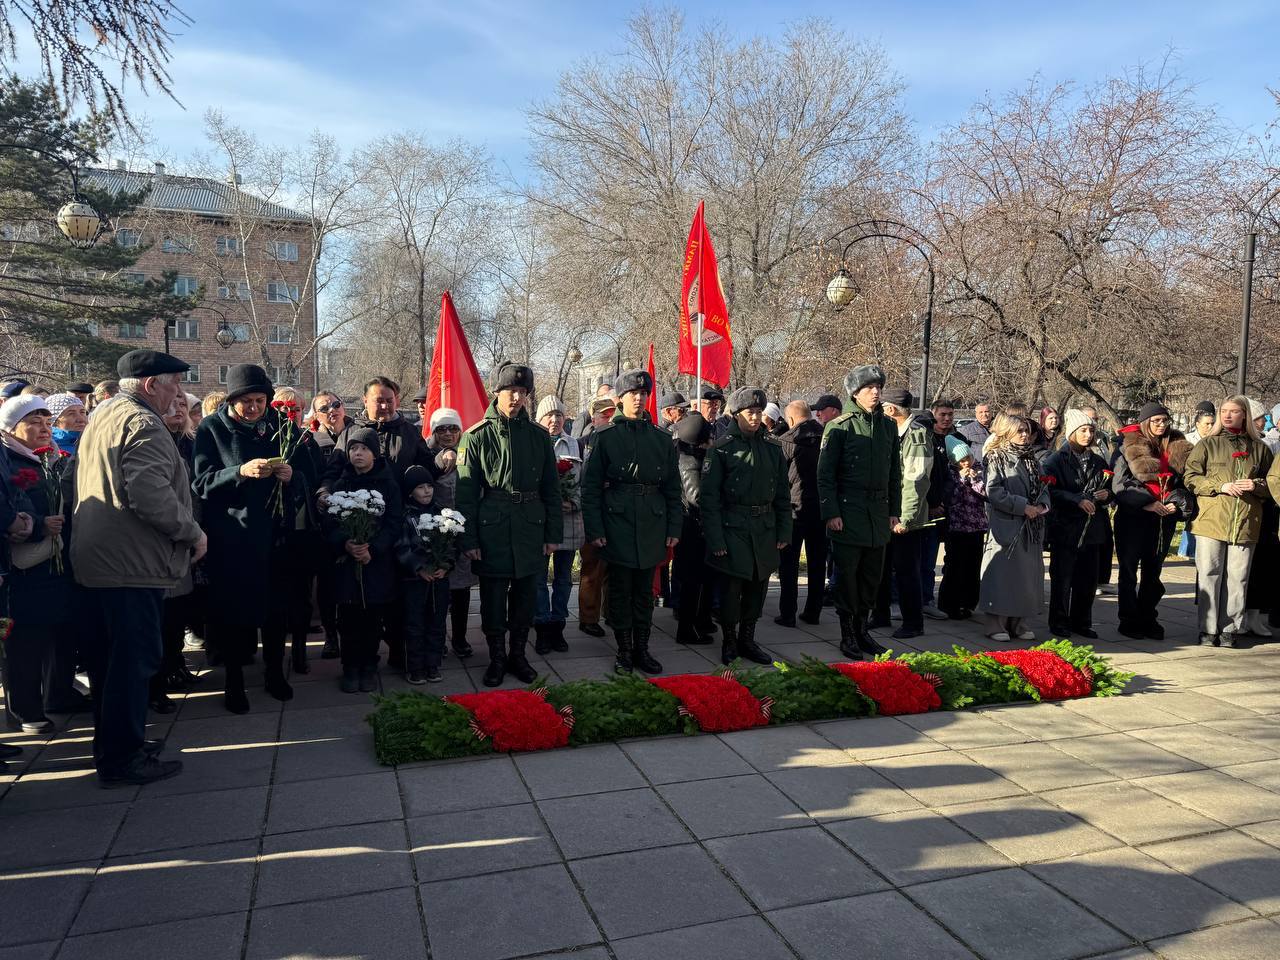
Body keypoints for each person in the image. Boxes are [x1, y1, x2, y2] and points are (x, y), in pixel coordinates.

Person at [73, 349, 205, 787]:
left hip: (101, 560)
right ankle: (122, 760)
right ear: (151, 385)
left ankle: (115, 746)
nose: (179, 393)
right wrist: (191, 532)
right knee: (132, 662)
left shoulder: (107, 414)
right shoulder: (144, 422)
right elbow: (150, 495)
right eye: (174, 383)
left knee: (109, 664)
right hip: (131, 565)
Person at [193, 364, 310, 713]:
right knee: (235, 613)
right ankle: (234, 681)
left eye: (260, 400)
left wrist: (291, 476)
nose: (254, 408)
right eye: (246, 401)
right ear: (231, 400)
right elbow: (201, 482)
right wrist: (239, 472)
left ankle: (275, 673)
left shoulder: (279, 426)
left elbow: (307, 474)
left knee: (276, 611)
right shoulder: (212, 429)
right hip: (235, 538)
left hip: (276, 535)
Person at [456, 363, 562, 686]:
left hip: (531, 525)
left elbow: (551, 489)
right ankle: (497, 657)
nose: (516, 398)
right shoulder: (476, 437)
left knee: (526, 596)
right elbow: (466, 495)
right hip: (494, 528)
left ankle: (518, 654)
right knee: (492, 597)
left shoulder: (539, 437)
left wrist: (552, 534)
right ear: (496, 393)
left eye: (522, 392)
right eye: (510, 391)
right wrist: (469, 539)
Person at [582, 369, 681, 673]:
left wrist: (673, 528)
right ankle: (624, 650)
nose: (639, 399)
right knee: (620, 592)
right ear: (621, 399)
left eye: (643, 394)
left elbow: (672, 488)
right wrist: (596, 529)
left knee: (644, 593)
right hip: (618, 524)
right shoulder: (605, 437)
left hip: (652, 523)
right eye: (632, 394)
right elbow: (590, 488)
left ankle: (642, 649)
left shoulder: (662, 439)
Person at [1, 396, 83, 732]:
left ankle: (58, 694)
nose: (44, 429)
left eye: (48, 422)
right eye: (35, 422)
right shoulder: (9, 461)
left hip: (52, 564)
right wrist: (37, 525)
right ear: (11, 428)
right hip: (24, 569)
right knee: (25, 642)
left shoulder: (44, 460)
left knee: (56, 633)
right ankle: (25, 710)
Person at [701, 387, 791, 665]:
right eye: (750, 413)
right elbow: (709, 499)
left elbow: (782, 496)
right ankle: (729, 640)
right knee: (731, 591)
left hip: (764, 528)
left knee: (757, 588)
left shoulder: (773, 448)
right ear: (736, 414)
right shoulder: (722, 450)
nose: (755, 418)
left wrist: (784, 530)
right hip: (733, 528)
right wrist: (715, 539)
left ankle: (748, 640)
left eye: (758, 412)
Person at [817, 365, 900, 659]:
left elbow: (894, 473)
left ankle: (863, 631)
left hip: (877, 514)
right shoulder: (840, 426)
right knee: (847, 578)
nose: (876, 392)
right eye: (869, 388)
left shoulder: (889, 427)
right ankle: (848, 634)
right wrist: (831, 513)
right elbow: (824, 475)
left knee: (871, 578)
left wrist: (895, 511)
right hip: (848, 512)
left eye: (878, 387)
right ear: (855, 393)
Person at [1184, 397, 1274, 647]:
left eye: (1234, 411)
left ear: (1244, 415)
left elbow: (1272, 484)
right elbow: (1190, 477)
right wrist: (1219, 486)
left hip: (1245, 522)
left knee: (1238, 578)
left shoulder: (1260, 448)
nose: (1227, 416)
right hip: (1211, 521)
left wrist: (1256, 485)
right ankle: (1207, 629)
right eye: (1224, 411)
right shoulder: (1207, 445)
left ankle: (1230, 629)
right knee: (1209, 574)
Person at [322, 426, 403, 691]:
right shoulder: (342, 484)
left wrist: (373, 548)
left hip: (376, 565)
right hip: (347, 565)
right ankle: (350, 666)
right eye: (353, 448)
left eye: (364, 449)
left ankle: (369, 665)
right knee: (348, 618)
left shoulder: (388, 485)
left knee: (371, 618)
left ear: (375, 454)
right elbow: (330, 524)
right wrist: (345, 544)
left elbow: (393, 524)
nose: (358, 453)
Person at [1111, 402, 1193, 640]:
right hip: (1133, 516)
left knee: (1153, 571)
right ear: (1146, 422)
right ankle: (1128, 619)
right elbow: (1120, 483)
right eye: (1156, 421)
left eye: (1164, 420)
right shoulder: (1128, 445)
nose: (1161, 425)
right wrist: (1146, 502)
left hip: (1163, 518)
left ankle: (1148, 617)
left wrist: (1175, 502)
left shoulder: (1178, 446)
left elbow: (1185, 482)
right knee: (1128, 571)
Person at [977, 414, 1051, 642]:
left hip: (1031, 526)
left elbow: (1043, 485)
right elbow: (994, 491)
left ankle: (1018, 622)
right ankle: (995, 623)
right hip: (1006, 525)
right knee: (1003, 575)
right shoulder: (996, 457)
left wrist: (1041, 505)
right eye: (1019, 430)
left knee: (1027, 577)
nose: (1024, 435)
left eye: (1027, 431)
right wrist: (1022, 507)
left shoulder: (1031, 459)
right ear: (1007, 431)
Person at [1043, 411, 1112, 639]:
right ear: (1072, 432)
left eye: (1091, 430)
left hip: (1091, 529)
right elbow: (1049, 490)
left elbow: (1110, 489)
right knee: (1063, 579)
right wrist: (1076, 499)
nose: (1088, 434)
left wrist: (1106, 495)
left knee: (1087, 580)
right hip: (1065, 528)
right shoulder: (1056, 460)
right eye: (1083, 430)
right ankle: (1059, 622)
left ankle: (1082, 621)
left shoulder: (1098, 460)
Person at [870, 388, 932, 640]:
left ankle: (913, 622)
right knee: (881, 569)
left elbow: (917, 479)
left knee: (907, 571)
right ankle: (880, 614)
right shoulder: (891, 432)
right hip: (886, 514)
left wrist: (905, 518)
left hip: (905, 518)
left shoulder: (916, 436)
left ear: (891, 410)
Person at [533, 395, 584, 654]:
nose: (554, 420)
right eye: (549, 415)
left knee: (564, 578)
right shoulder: (531, 441)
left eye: (559, 415)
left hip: (568, 520)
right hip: (541, 522)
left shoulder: (575, 445)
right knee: (539, 578)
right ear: (539, 418)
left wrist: (573, 502)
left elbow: (584, 481)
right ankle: (541, 626)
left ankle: (558, 625)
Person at [424, 407, 475, 660]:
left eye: (453, 428)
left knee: (461, 590)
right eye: (441, 429)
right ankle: (437, 638)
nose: (447, 434)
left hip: (463, 530)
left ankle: (460, 638)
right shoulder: (425, 453)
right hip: (436, 533)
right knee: (439, 588)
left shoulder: (470, 451)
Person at [320, 377, 433, 488]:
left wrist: (445, 456)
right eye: (379, 401)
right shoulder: (351, 432)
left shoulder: (410, 432)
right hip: (358, 503)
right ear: (365, 401)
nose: (385, 406)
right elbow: (333, 471)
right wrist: (324, 490)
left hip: (399, 503)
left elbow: (429, 468)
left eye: (389, 401)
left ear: (396, 400)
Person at [397, 465, 451, 683]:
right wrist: (418, 568)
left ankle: (433, 663)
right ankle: (415, 666)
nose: (427, 491)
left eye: (429, 486)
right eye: (420, 487)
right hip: (414, 581)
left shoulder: (442, 513)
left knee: (437, 622)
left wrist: (446, 565)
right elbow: (401, 547)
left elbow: (451, 544)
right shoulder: (405, 516)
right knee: (414, 623)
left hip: (439, 579)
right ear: (410, 491)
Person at [775, 399, 826, 627]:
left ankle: (787, 614)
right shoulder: (827, 437)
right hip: (822, 510)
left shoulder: (786, 441)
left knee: (789, 564)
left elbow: (778, 478)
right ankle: (813, 611)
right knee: (817, 563)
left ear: (792, 419)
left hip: (794, 511)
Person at [308, 389, 351, 657]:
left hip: (356, 517)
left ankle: (351, 632)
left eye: (336, 404)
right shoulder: (311, 440)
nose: (331, 411)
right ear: (316, 415)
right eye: (324, 408)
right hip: (324, 521)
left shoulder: (358, 433)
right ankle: (331, 635)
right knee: (326, 583)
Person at [671, 413, 716, 645]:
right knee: (692, 581)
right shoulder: (687, 461)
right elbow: (696, 496)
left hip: (696, 528)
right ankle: (686, 629)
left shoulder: (695, 456)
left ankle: (700, 620)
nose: (712, 443)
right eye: (708, 439)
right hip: (692, 529)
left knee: (702, 579)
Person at [575, 395, 616, 637]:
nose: (609, 419)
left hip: (616, 511)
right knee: (593, 567)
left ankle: (611, 612)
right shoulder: (585, 442)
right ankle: (588, 618)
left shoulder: (618, 439)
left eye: (613, 414)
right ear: (594, 417)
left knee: (615, 567)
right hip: (593, 510)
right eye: (605, 415)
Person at [936, 439, 987, 620]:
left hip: (976, 526)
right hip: (957, 526)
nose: (966, 463)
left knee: (973, 565)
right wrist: (961, 480)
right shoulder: (950, 473)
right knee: (955, 565)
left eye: (968, 458)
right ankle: (950, 604)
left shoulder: (980, 469)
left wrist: (972, 478)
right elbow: (951, 498)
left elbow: (985, 493)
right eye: (961, 460)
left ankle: (969, 603)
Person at [1243, 398, 1279, 637]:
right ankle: (1247, 617)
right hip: (1260, 512)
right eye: (1258, 419)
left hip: (1266, 512)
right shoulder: (1264, 445)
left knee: (1263, 568)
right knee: (1254, 568)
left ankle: (1256, 616)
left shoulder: (1263, 445)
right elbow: (1272, 479)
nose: (1262, 422)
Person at [920, 400, 955, 620]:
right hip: (920, 508)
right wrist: (931, 503)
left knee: (929, 560)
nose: (946, 419)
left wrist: (940, 502)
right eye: (942, 414)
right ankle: (900, 600)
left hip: (940, 509)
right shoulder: (923, 439)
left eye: (950, 414)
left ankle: (927, 599)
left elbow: (950, 477)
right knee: (911, 560)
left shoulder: (952, 440)